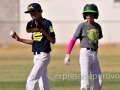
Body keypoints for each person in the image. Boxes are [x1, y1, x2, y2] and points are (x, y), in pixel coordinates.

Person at [11, 3, 56, 90]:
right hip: (36, 56)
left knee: (30, 81)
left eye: (34, 12)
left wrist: (44, 32)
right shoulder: (34, 24)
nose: (32, 15)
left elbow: (53, 41)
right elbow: (34, 42)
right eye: (30, 13)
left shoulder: (47, 23)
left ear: (40, 11)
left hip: (43, 55)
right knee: (43, 83)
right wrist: (19, 39)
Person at [64, 3, 103, 90]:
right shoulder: (82, 26)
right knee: (85, 84)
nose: (88, 16)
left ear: (95, 14)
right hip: (85, 54)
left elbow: (96, 40)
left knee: (99, 82)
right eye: (87, 14)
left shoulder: (98, 26)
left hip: (94, 54)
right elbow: (73, 40)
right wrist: (68, 54)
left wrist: (96, 53)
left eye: (91, 14)